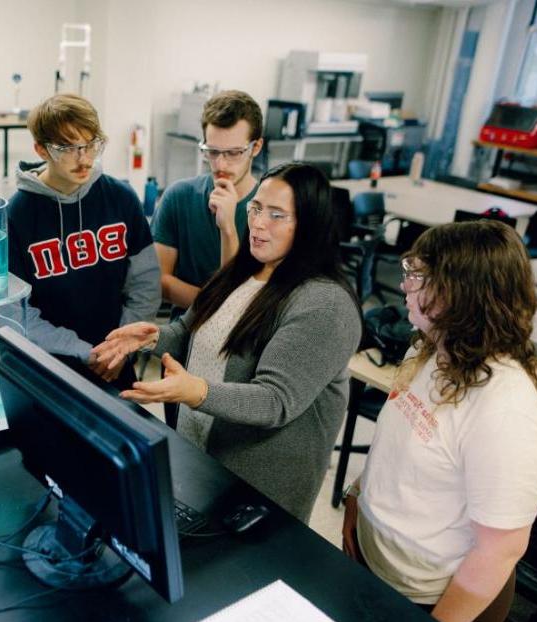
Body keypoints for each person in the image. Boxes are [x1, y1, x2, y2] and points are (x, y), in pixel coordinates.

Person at [341, 221, 537, 622]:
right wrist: (356, 502)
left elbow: (502, 546)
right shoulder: (432, 349)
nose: (405, 284)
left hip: (440, 596)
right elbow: (395, 443)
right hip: (382, 566)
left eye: (419, 274)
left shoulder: (505, 410)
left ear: (462, 296)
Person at [93, 163, 361, 523]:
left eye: (277, 215)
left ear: (310, 225)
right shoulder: (241, 270)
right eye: (256, 208)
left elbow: (274, 400)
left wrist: (195, 392)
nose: (259, 223)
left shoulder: (324, 303)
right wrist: (151, 338)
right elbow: (190, 331)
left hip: (256, 494)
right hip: (199, 460)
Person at [7, 93, 160, 387]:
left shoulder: (121, 198)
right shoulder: (17, 215)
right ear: (41, 150)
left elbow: (145, 284)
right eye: (67, 147)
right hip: (50, 369)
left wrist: (121, 349)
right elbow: (16, 313)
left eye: (91, 145)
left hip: (117, 363)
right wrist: (85, 353)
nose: (84, 159)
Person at [152, 90, 265, 314]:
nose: (221, 164)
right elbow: (159, 280)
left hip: (245, 340)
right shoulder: (178, 197)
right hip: (183, 336)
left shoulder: (270, 210)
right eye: (212, 151)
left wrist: (228, 229)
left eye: (234, 153)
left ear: (256, 147)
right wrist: (215, 306)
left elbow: (254, 299)